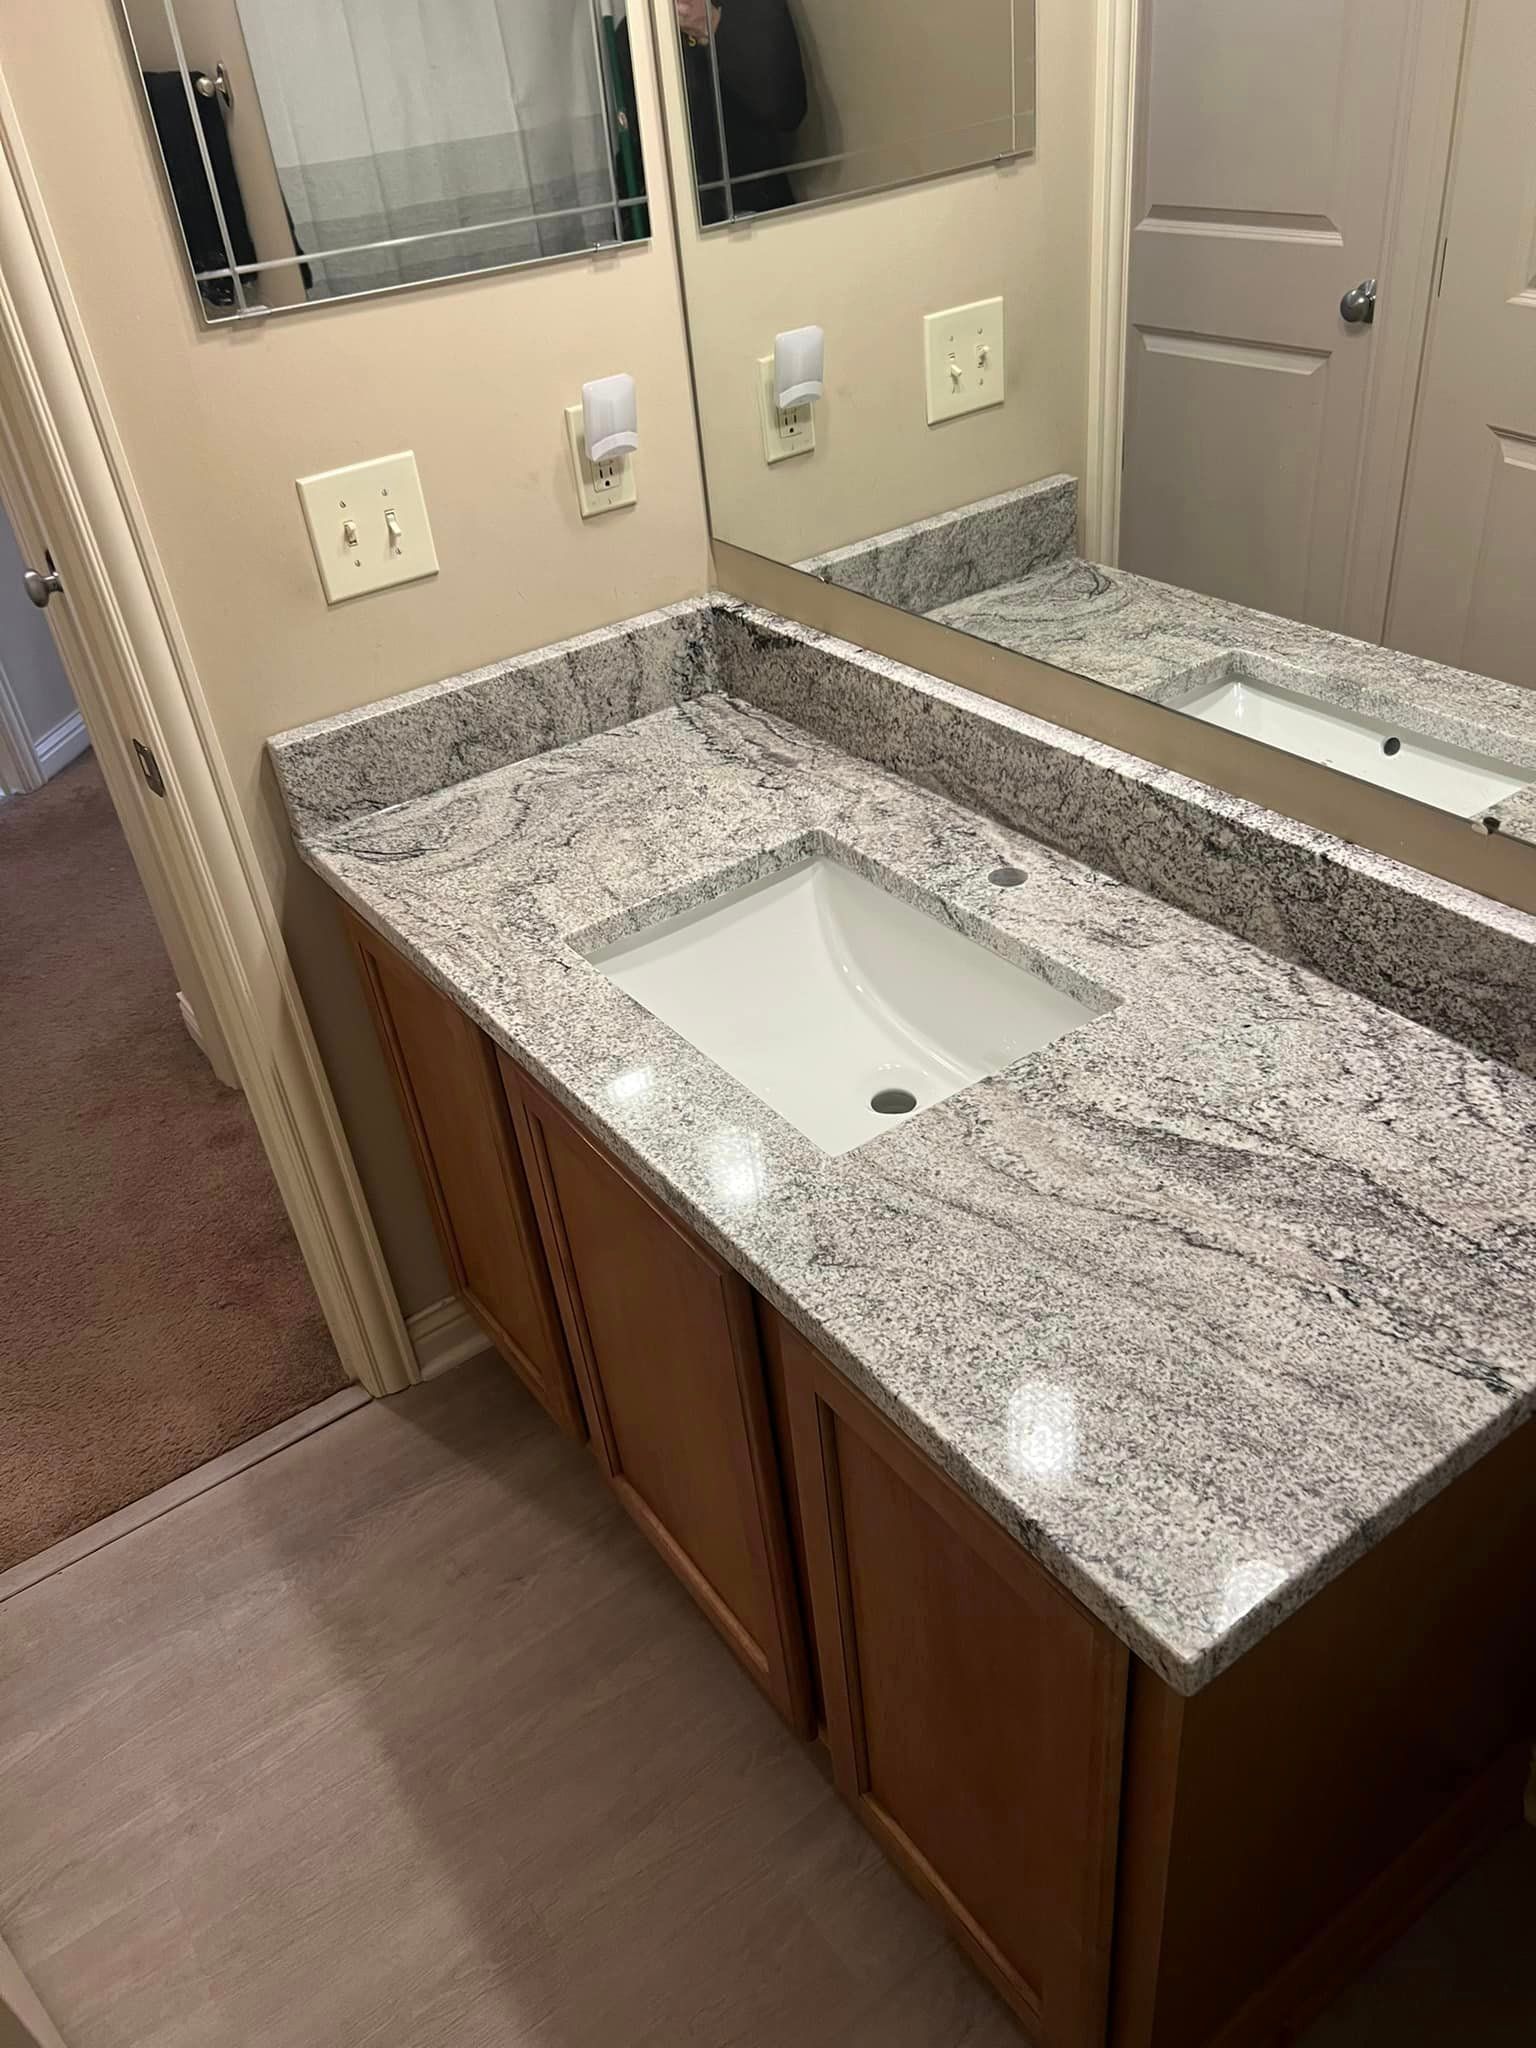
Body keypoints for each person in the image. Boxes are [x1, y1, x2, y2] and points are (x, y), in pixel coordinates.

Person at [615, 1, 807, 227]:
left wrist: (713, 25)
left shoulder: (749, 7)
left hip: (761, 216)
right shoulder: (635, 34)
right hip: (682, 229)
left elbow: (787, 110)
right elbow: (644, 151)